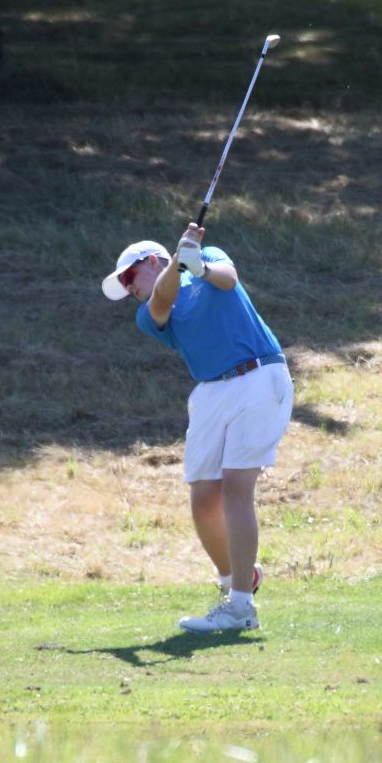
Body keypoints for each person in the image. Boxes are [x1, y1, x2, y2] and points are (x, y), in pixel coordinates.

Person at [101, 223, 293, 633]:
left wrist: (198, 266)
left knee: (236, 487)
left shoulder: (210, 257)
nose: (129, 289)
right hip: (210, 391)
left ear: (151, 261)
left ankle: (240, 608)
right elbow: (161, 300)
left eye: (130, 277)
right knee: (203, 498)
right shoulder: (149, 314)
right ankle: (236, 581)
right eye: (124, 286)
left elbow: (228, 280)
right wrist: (179, 261)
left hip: (259, 375)